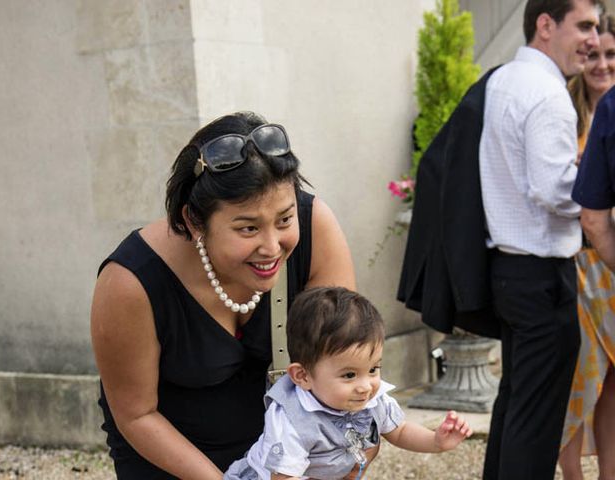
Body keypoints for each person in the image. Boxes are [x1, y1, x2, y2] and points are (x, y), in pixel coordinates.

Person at [90, 112, 357, 479]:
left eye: (284, 219)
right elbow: (136, 415)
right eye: (247, 228)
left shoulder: (315, 229)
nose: (271, 246)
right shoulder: (130, 282)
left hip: (286, 463)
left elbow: (347, 366)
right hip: (173, 465)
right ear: (195, 222)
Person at [477, 1, 601, 479]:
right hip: (543, 276)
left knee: (515, 409)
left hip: (510, 271)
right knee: (537, 422)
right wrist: (603, 191)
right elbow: (554, 189)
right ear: (546, 25)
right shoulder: (548, 93)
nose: (593, 40)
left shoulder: (501, 79)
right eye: (585, 26)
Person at [224, 287, 473, 480]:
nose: (365, 386)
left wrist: (436, 441)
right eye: (349, 375)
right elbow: (283, 476)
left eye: (373, 369)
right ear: (303, 376)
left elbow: (399, 430)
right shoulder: (290, 417)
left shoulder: (372, 397)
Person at [558, 14, 615, 480]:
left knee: (614, 376)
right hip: (581, 264)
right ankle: (573, 473)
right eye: (593, 53)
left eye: (610, 54)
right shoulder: (567, 113)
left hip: (613, 264)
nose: (601, 63)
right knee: (582, 374)